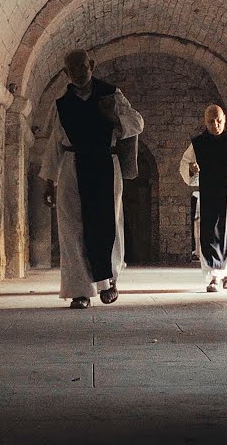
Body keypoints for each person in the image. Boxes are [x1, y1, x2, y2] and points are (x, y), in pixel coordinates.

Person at [40, 50, 144, 308]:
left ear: (92, 65)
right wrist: (48, 181)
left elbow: (137, 122)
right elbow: (55, 143)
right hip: (72, 167)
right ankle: (80, 290)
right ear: (66, 72)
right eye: (72, 69)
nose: (79, 73)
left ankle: (108, 281)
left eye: (83, 67)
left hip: (105, 163)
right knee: (72, 227)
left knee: (107, 222)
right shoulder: (61, 104)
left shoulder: (111, 94)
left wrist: (112, 117)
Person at [180, 105, 227, 292]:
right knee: (210, 235)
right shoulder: (198, 143)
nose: (215, 125)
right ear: (204, 122)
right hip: (209, 196)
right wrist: (191, 168)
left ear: (225, 118)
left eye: (219, 121)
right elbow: (185, 163)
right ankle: (214, 276)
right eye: (210, 122)